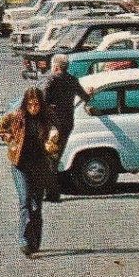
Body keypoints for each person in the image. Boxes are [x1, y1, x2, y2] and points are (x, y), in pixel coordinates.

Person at [0, 86, 61, 257]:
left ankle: (34, 240)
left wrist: (53, 136)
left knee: (36, 205)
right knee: (25, 200)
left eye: (36, 104)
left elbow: (55, 128)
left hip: (39, 165)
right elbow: (0, 126)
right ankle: (24, 240)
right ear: (25, 104)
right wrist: (8, 137)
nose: (34, 107)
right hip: (20, 165)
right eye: (30, 104)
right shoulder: (17, 116)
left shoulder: (47, 117)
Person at [41, 54, 88, 201]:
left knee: (48, 156)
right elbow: (85, 96)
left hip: (52, 123)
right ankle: (51, 191)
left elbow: (43, 99)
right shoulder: (72, 80)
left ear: (55, 66)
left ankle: (51, 192)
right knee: (55, 155)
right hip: (67, 122)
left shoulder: (52, 79)